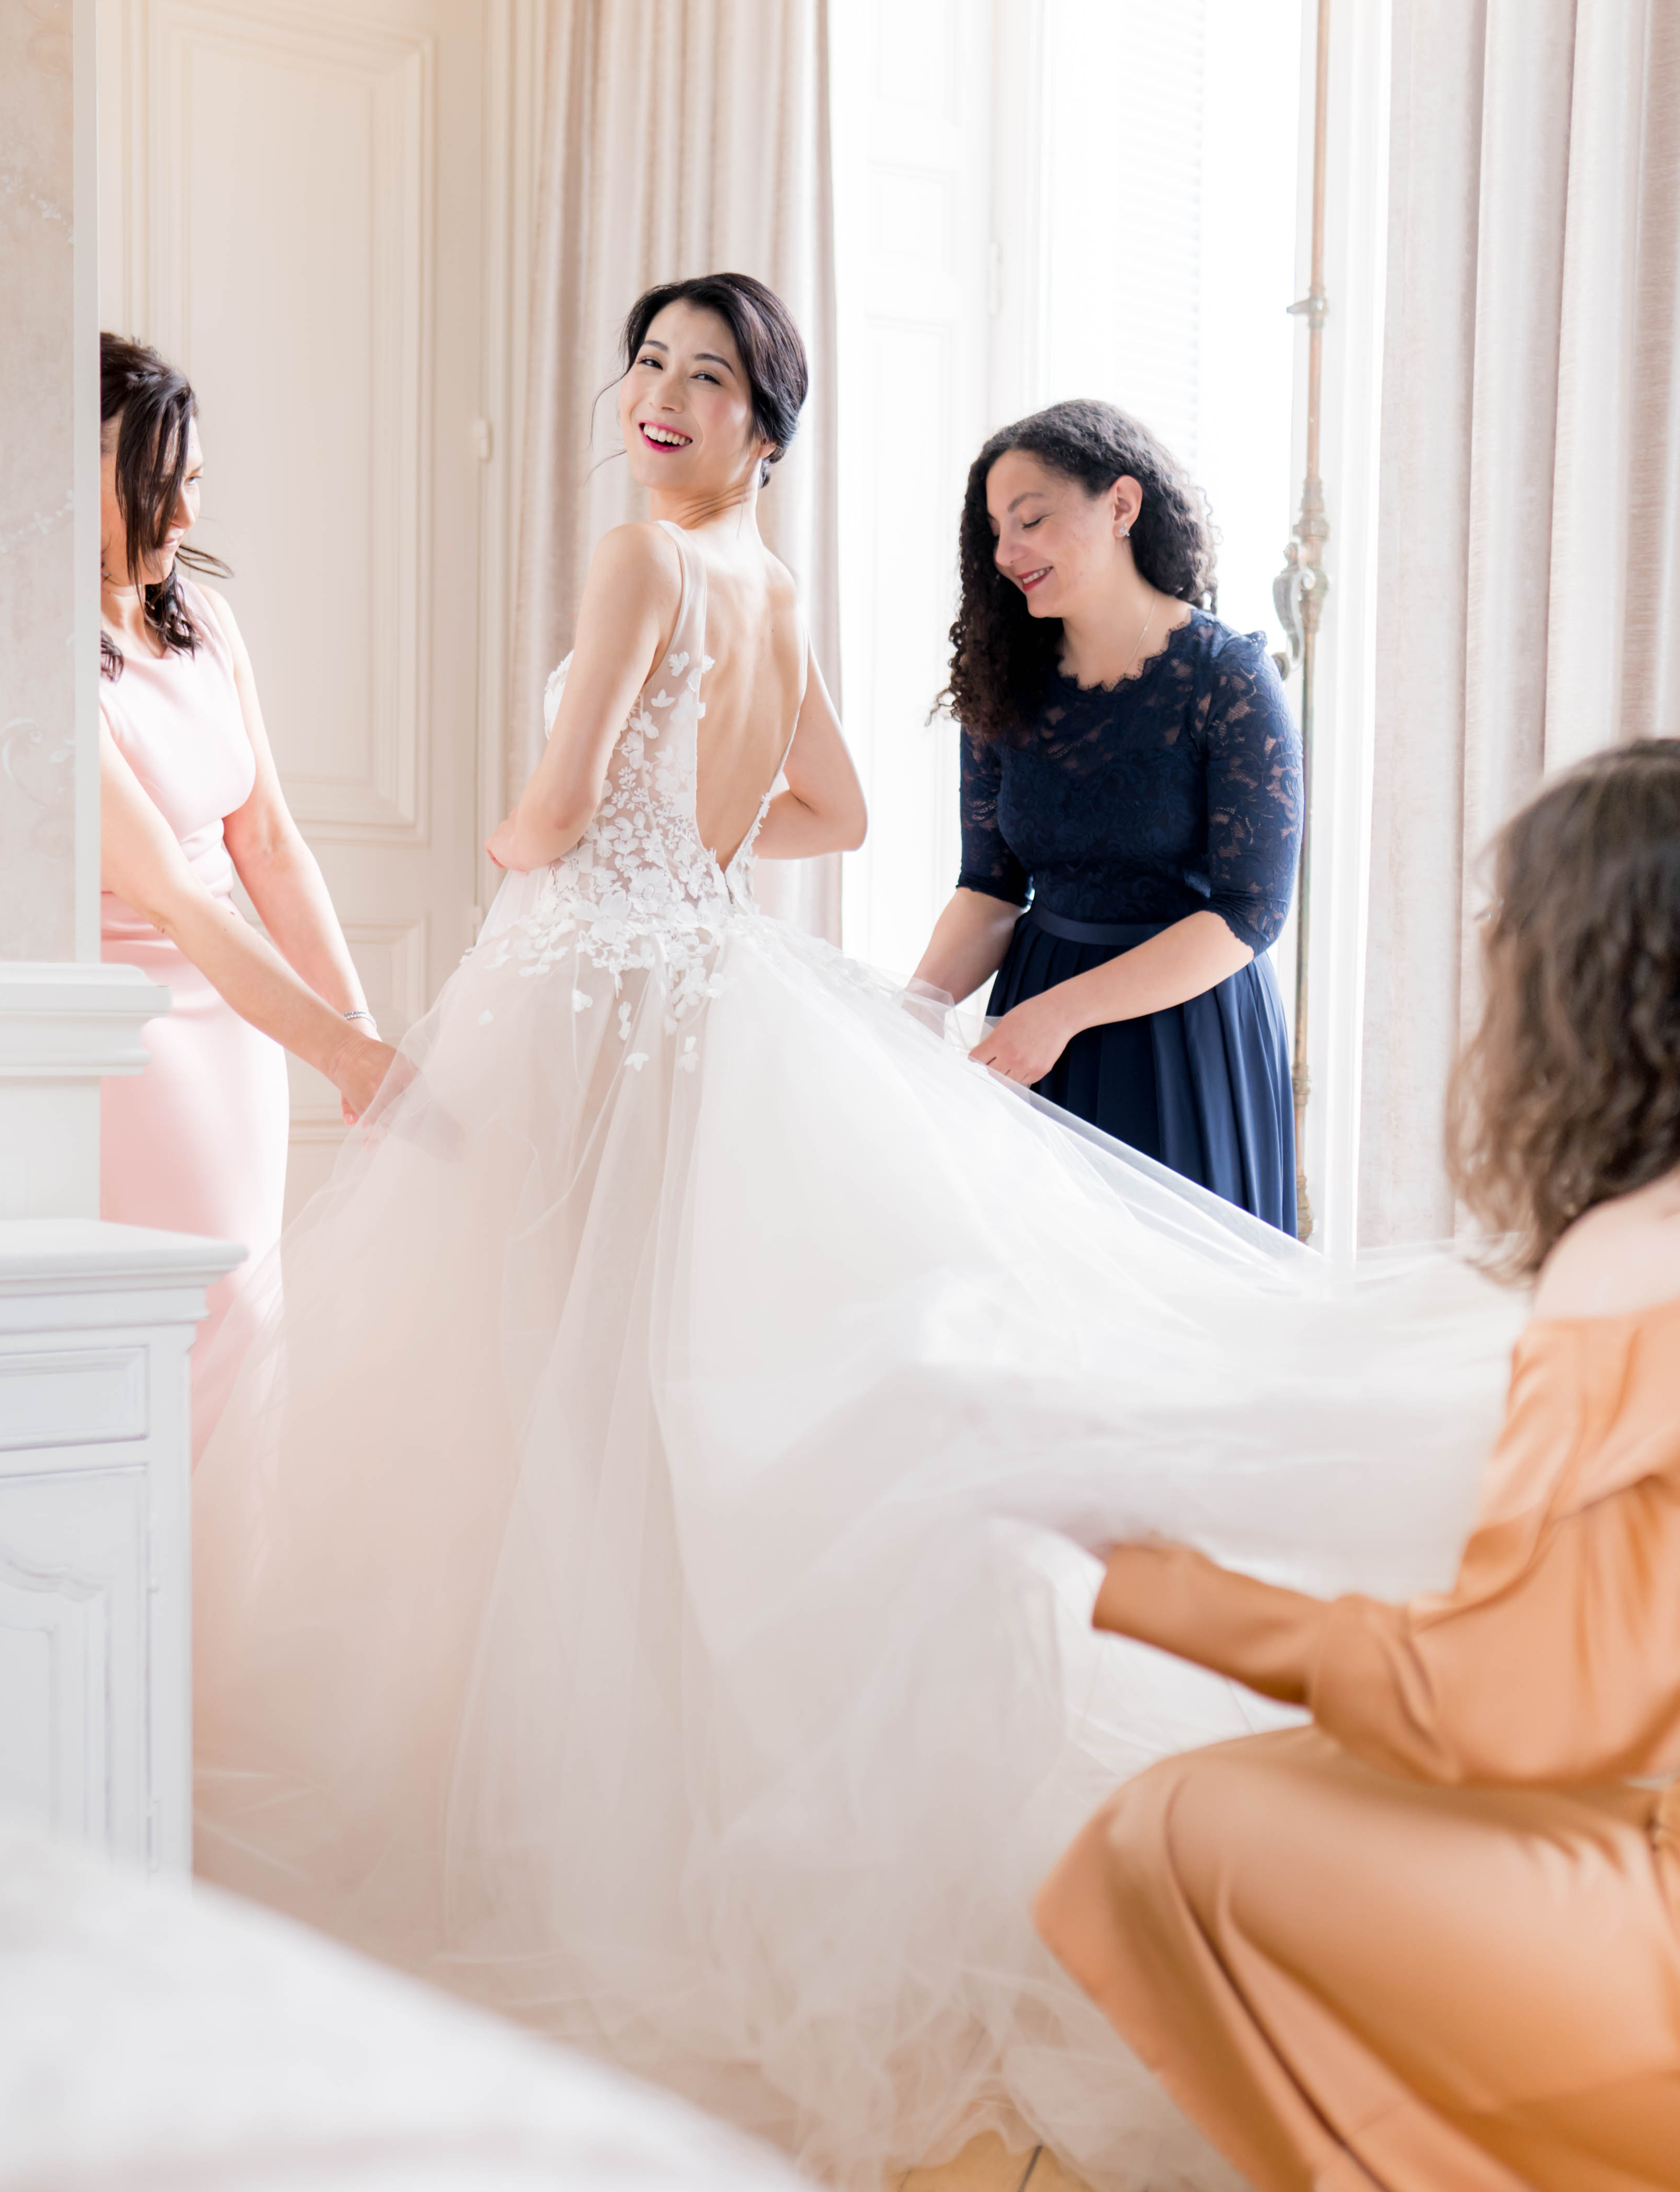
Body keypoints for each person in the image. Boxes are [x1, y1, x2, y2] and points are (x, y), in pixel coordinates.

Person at [190, 276, 1514, 2189]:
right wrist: (786, 927)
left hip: (669, 986)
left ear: (757, 422)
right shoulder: (785, 592)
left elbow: (544, 818)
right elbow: (859, 821)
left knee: (560, 1380)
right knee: (653, 1378)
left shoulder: (660, 570)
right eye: (644, 364)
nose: (657, 395)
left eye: (699, 374)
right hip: (739, 985)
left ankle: (574, 1803)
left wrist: (547, 834)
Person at [1034, 738, 1680, 2192]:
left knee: (1173, 1822)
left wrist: (1154, 1580)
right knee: (1317, 1772)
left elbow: (1498, 1709)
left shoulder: (1633, 1256)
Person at [97, 334, 396, 1454]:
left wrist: (353, 1026)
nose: (180, 521)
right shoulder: (42, 659)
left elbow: (268, 840)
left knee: (247, 1319)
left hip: (242, 1024)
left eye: (192, 487)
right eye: (151, 489)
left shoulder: (204, 622)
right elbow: (173, 897)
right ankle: (159, 1615)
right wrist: (347, 1056)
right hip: (135, 1033)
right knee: (197, 1319)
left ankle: (219, 1615)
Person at [912, 403, 1301, 1234]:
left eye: (1032, 520)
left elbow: (1252, 911)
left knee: (1188, 1326)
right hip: (1031, 1029)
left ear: (1122, 505)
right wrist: (913, 1011)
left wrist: (1064, 1012)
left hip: (1187, 1034)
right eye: (994, 530)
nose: (1007, 553)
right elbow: (987, 890)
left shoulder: (1227, 679)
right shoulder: (1002, 683)